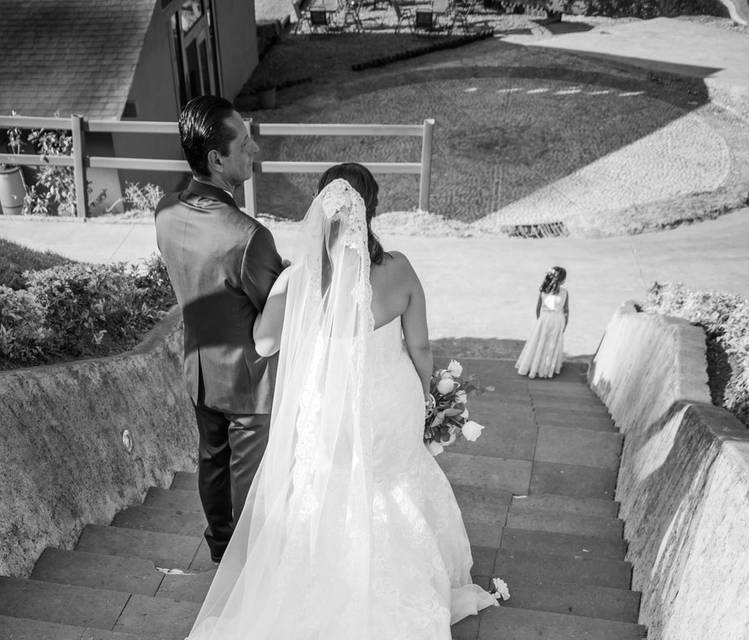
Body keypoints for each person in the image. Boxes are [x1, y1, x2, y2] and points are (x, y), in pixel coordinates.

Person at [186, 163, 499, 640]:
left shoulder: (300, 280)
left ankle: (323, 581)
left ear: (321, 208)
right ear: (371, 209)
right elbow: (420, 346)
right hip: (389, 402)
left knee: (327, 489)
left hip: (329, 407)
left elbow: (266, 343)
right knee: (391, 482)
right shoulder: (399, 269)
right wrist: (426, 397)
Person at [154, 95, 284, 563]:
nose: (254, 152)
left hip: (199, 370)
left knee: (212, 463)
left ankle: (220, 549)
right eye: (245, 144)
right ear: (216, 158)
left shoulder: (165, 212)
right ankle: (246, 567)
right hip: (248, 386)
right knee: (249, 481)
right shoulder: (249, 237)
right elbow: (275, 310)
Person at [515, 266, 569, 379]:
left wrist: (540, 320)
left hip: (544, 319)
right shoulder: (565, 292)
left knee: (539, 342)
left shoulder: (543, 291)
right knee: (552, 343)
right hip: (558, 320)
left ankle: (534, 365)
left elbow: (538, 308)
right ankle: (548, 368)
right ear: (562, 280)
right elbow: (566, 310)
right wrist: (565, 324)